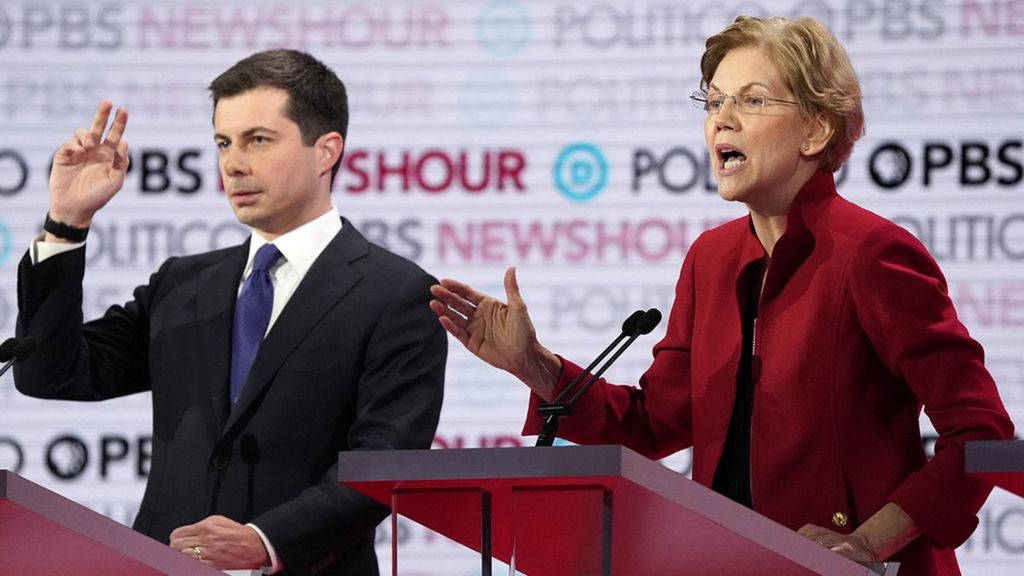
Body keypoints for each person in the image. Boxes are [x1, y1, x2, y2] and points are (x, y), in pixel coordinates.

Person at [429, 16, 1013, 575]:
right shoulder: (710, 260)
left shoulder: (872, 253)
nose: (721, 120)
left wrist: (868, 540)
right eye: (713, 102)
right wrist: (537, 366)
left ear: (817, 128)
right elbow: (655, 423)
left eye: (751, 100)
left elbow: (979, 434)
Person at [15, 49, 446, 575]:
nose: (232, 163)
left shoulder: (395, 294)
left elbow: (385, 462)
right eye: (223, 142)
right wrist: (66, 223)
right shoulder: (183, 284)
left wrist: (268, 540)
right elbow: (49, 373)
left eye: (258, 140)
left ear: (325, 151)